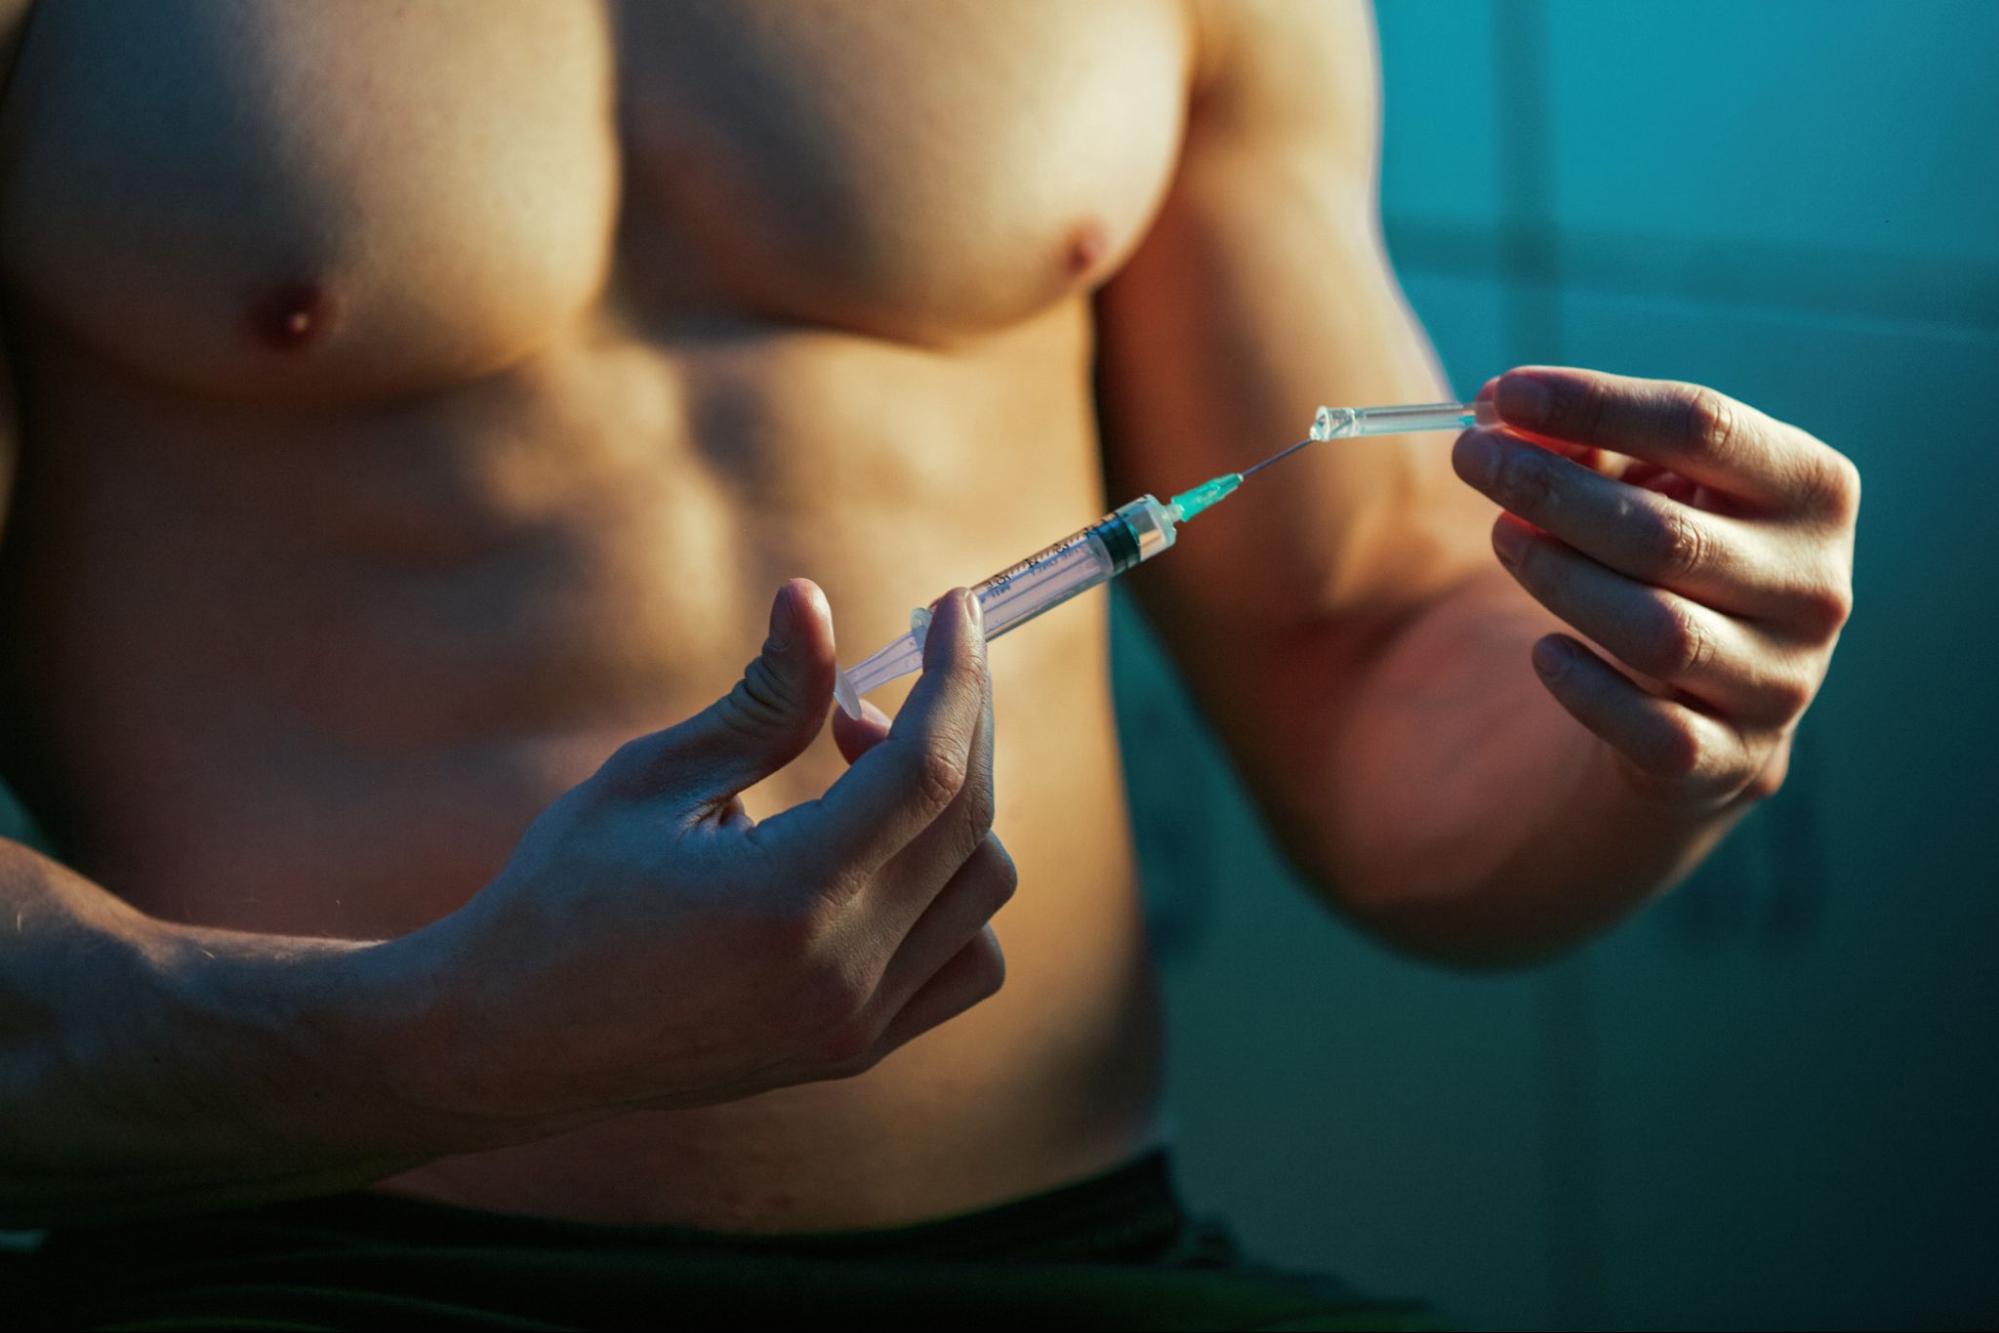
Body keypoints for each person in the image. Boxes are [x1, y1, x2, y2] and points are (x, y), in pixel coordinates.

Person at [0, 1, 1858, 1328]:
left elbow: (1356, 643)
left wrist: (1661, 706)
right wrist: (448, 1034)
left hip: (1064, 1261)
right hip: (275, 1270)